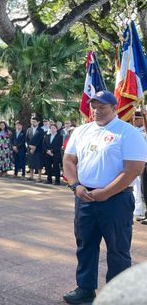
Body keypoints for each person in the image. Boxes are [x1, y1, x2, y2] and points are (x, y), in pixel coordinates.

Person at [62, 91, 147, 304]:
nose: (97, 111)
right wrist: (76, 186)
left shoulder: (127, 132)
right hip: (85, 197)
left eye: (102, 107)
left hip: (116, 200)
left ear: (114, 107)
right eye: (94, 107)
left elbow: (134, 168)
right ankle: (85, 289)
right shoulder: (82, 131)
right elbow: (69, 160)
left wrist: (106, 192)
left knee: (118, 249)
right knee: (85, 245)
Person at [132, 110, 146, 222]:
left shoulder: (143, 132)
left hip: (143, 162)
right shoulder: (134, 131)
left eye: (136, 119)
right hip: (135, 162)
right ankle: (139, 210)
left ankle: (141, 210)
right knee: (139, 188)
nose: (134, 121)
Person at [25, 116, 45, 181]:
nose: (33, 123)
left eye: (34, 122)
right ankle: (31, 176)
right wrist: (30, 146)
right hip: (30, 149)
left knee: (39, 163)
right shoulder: (29, 130)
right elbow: (26, 139)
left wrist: (34, 147)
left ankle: (39, 177)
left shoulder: (41, 130)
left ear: (38, 122)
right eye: (32, 122)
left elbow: (40, 140)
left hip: (38, 149)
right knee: (30, 162)